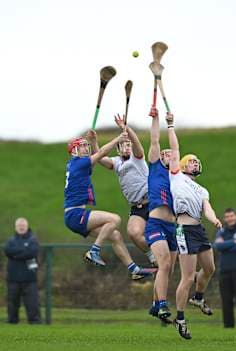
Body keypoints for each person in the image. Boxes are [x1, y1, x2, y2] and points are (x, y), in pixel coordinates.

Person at [63, 129, 156, 280]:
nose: (86, 149)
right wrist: (118, 138)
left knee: (115, 236)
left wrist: (93, 141)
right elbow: (101, 154)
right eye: (82, 147)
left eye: (86, 146)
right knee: (114, 220)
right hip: (75, 214)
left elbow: (96, 160)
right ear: (74, 151)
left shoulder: (78, 165)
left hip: (73, 216)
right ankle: (94, 251)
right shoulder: (79, 163)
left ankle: (134, 269)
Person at [167, 111, 222, 340]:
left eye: (197, 161)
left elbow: (206, 207)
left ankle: (198, 297)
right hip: (183, 229)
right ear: (181, 165)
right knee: (187, 277)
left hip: (198, 228)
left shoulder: (202, 189)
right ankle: (180, 318)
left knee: (209, 269)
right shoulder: (176, 176)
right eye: (192, 160)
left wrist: (214, 218)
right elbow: (176, 148)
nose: (195, 162)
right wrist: (171, 126)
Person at [96, 114, 156, 265]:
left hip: (152, 202)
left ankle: (168, 252)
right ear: (118, 149)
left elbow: (137, 144)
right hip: (137, 207)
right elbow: (99, 157)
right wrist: (93, 142)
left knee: (161, 234)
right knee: (133, 233)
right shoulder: (116, 162)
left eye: (128, 145)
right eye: (124, 145)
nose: (127, 147)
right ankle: (152, 255)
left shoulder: (137, 158)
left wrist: (125, 128)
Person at [145, 107, 178, 324]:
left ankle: (156, 305)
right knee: (164, 263)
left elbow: (176, 147)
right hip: (155, 223)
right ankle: (163, 304)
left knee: (168, 269)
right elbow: (155, 140)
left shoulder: (176, 175)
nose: (167, 154)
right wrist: (157, 119)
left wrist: (171, 124)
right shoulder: (155, 167)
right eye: (164, 154)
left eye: (169, 154)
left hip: (173, 228)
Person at [4, 217, 41, 324]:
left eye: (23, 226)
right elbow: (7, 251)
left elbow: (32, 252)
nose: (21, 227)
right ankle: (12, 321)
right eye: (19, 226)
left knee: (32, 303)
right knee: (12, 303)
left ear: (27, 226)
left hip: (30, 278)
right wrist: (23, 252)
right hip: (13, 277)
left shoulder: (33, 240)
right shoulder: (10, 240)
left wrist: (15, 255)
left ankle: (35, 322)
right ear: (15, 227)